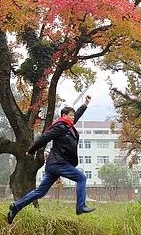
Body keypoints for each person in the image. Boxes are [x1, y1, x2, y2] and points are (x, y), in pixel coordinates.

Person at [7, 95, 95, 224]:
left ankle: (15, 207)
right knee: (81, 177)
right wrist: (31, 151)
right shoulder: (60, 126)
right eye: (70, 115)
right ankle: (80, 206)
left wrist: (85, 104)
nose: (73, 117)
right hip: (58, 163)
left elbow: (78, 115)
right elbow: (43, 138)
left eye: (73, 115)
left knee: (40, 192)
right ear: (64, 115)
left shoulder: (68, 126)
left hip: (55, 164)